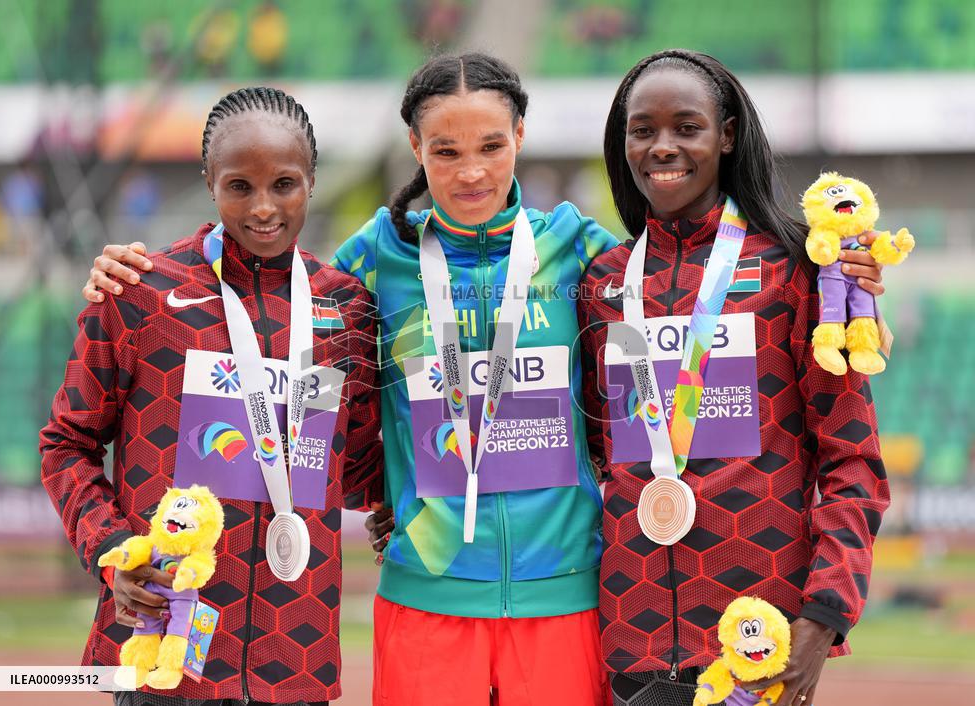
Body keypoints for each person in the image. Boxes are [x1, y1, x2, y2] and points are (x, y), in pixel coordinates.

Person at [82, 52, 618, 706]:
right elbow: (280, 305)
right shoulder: (374, 259)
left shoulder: (579, 246)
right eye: (446, 150)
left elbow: (678, 299)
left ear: (522, 138)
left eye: (492, 146)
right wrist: (127, 273)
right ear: (416, 147)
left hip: (563, 588)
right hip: (427, 592)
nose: (471, 170)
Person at [42, 87, 383, 706]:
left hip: (293, 664)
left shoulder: (347, 310)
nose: (262, 208)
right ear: (208, 181)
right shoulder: (139, 294)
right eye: (238, 186)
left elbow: (355, 467)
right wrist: (117, 553)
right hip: (163, 656)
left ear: (311, 180)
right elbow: (66, 445)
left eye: (284, 184)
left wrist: (417, 497)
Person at [577, 49, 889, 706]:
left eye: (685, 127)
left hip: (757, 643)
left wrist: (823, 618)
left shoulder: (795, 271)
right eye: (643, 130)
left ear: (726, 136)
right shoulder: (604, 283)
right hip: (631, 638)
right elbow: (595, 449)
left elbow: (852, 460)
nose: (662, 147)